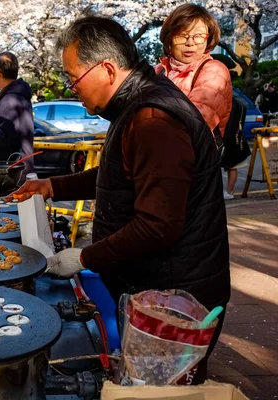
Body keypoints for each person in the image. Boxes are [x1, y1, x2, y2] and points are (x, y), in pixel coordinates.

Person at [13, 16, 230, 384]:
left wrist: (82, 257)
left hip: (174, 300)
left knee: (159, 389)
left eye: (73, 78)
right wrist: (52, 187)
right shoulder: (135, 107)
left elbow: (157, 225)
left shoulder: (153, 118)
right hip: (155, 286)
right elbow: (122, 176)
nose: (71, 88)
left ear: (108, 69)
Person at [156, 4, 236, 199]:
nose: (191, 42)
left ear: (208, 38)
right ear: (169, 37)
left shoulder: (214, 70)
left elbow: (195, 121)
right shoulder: (158, 71)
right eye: (182, 35)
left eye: (199, 35)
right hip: (156, 170)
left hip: (191, 173)